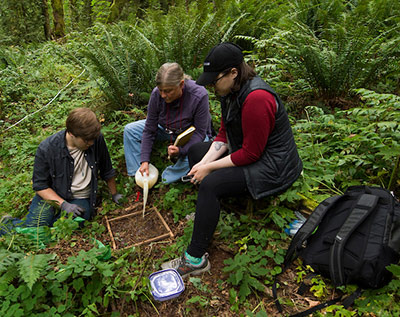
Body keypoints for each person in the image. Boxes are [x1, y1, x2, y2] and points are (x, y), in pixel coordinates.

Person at [161, 43, 303, 277]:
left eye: (214, 80)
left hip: (274, 166)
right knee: (197, 152)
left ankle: (195, 259)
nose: (212, 87)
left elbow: (251, 154)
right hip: (252, 154)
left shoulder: (257, 98)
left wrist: (209, 169)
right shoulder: (230, 92)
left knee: (210, 184)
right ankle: (213, 209)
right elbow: (224, 135)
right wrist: (204, 162)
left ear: (233, 73)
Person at [1, 107, 122, 233]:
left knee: (69, 226)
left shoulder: (96, 139)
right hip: (52, 196)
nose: (91, 143)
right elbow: (40, 185)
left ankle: (40, 224)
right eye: (86, 140)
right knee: (35, 230)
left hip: (80, 198)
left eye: (93, 139)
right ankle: (9, 224)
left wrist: (114, 194)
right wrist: (63, 204)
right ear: (71, 134)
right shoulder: (47, 148)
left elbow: (106, 169)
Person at [123, 62, 212, 184]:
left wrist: (181, 151)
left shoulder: (199, 94)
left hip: (189, 133)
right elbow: (150, 129)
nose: (163, 95)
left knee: (204, 147)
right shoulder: (156, 94)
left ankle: (167, 178)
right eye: (161, 90)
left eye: (168, 91)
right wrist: (144, 160)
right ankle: (139, 175)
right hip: (164, 128)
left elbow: (200, 133)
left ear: (181, 84)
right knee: (130, 130)